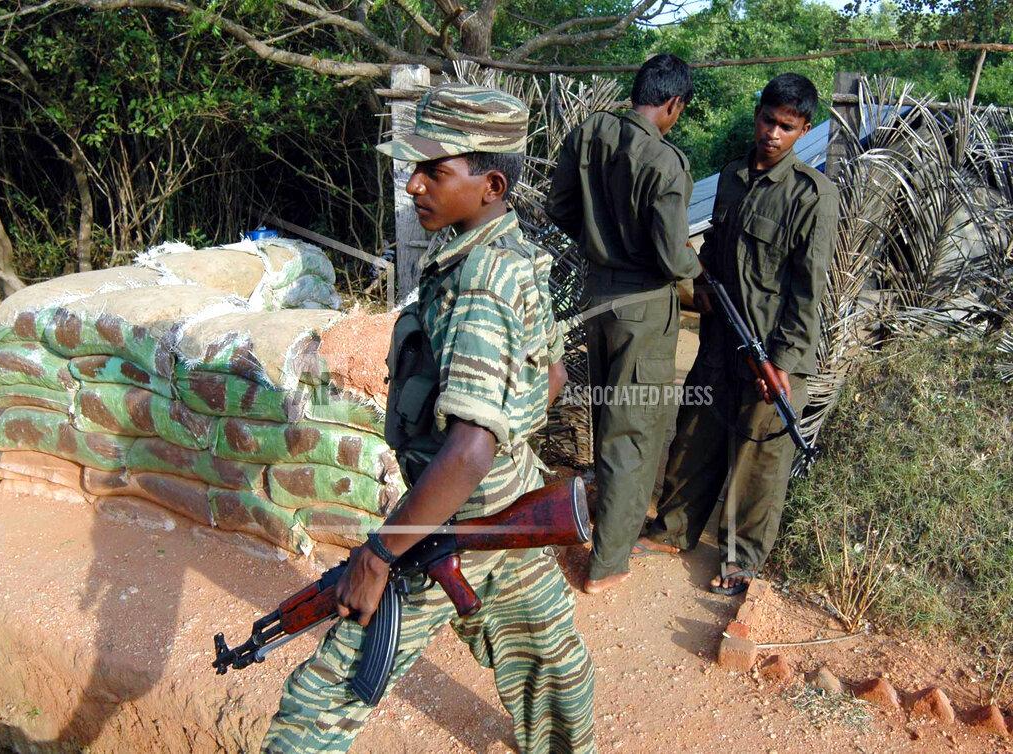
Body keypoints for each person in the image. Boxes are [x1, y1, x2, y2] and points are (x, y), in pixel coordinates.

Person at [262, 84, 595, 754]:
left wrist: (381, 553)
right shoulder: (515, 259)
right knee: (554, 671)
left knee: (322, 701)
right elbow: (551, 374)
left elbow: (469, 450)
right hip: (511, 508)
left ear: (491, 184)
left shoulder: (477, 287)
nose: (414, 184)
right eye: (412, 167)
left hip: (455, 525)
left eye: (434, 171)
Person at [638, 73, 840, 595]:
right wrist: (699, 288)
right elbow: (714, 257)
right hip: (720, 338)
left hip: (772, 351)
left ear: (804, 130)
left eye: (787, 127)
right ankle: (675, 528)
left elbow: (807, 288)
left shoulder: (812, 195)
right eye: (769, 120)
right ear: (758, 116)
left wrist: (783, 361)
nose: (774, 133)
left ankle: (741, 559)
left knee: (759, 460)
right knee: (695, 434)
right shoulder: (730, 177)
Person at [545, 53, 702, 594]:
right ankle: (608, 563)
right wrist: (693, 266)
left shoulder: (590, 131)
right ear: (674, 103)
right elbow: (670, 256)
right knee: (631, 434)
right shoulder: (667, 162)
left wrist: (598, 240)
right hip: (644, 307)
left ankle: (601, 530)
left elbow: (558, 205)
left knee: (605, 419)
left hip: (596, 296)